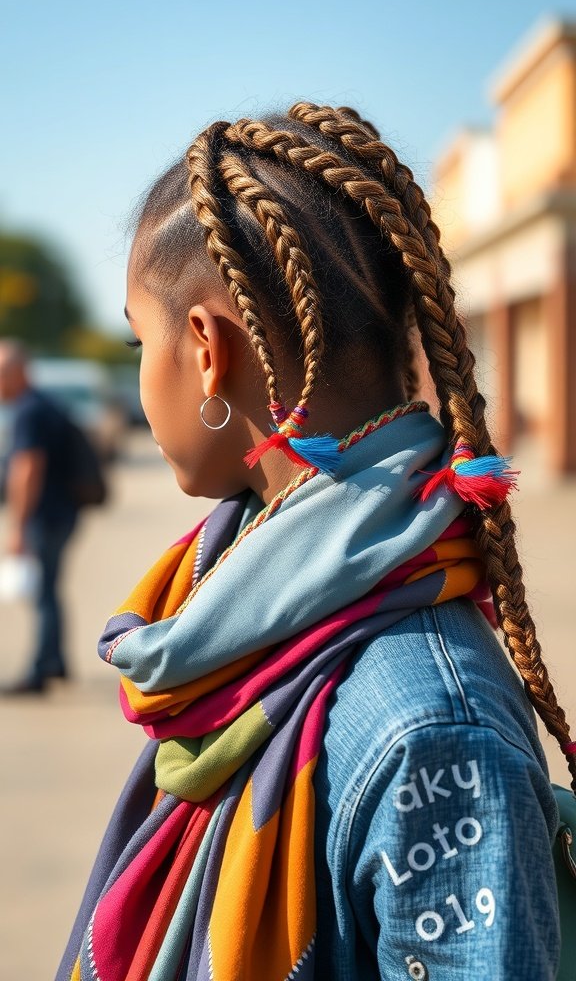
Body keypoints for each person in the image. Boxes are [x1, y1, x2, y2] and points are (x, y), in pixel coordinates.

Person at [57, 104, 572, 981]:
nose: (143, 381)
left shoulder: (436, 735)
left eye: (142, 342)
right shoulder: (227, 612)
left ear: (205, 350)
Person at [0, 340, 78, 692]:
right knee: (49, 588)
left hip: (45, 516)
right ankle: (56, 662)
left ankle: (40, 671)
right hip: (61, 513)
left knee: (44, 591)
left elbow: (27, 470)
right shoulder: (43, 404)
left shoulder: (28, 411)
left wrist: (18, 525)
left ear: (21, 372)